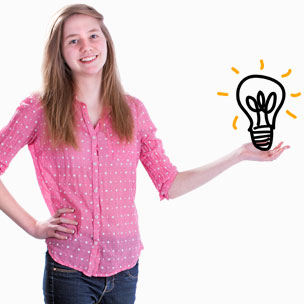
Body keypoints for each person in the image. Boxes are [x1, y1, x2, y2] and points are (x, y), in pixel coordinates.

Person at [0, 4, 289, 304]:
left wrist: (238, 154)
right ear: (59, 52)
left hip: (125, 270)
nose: (86, 46)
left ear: (106, 42)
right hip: (70, 270)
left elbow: (170, 184)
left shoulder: (133, 111)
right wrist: (34, 226)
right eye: (73, 40)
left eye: (93, 35)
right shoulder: (39, 110)